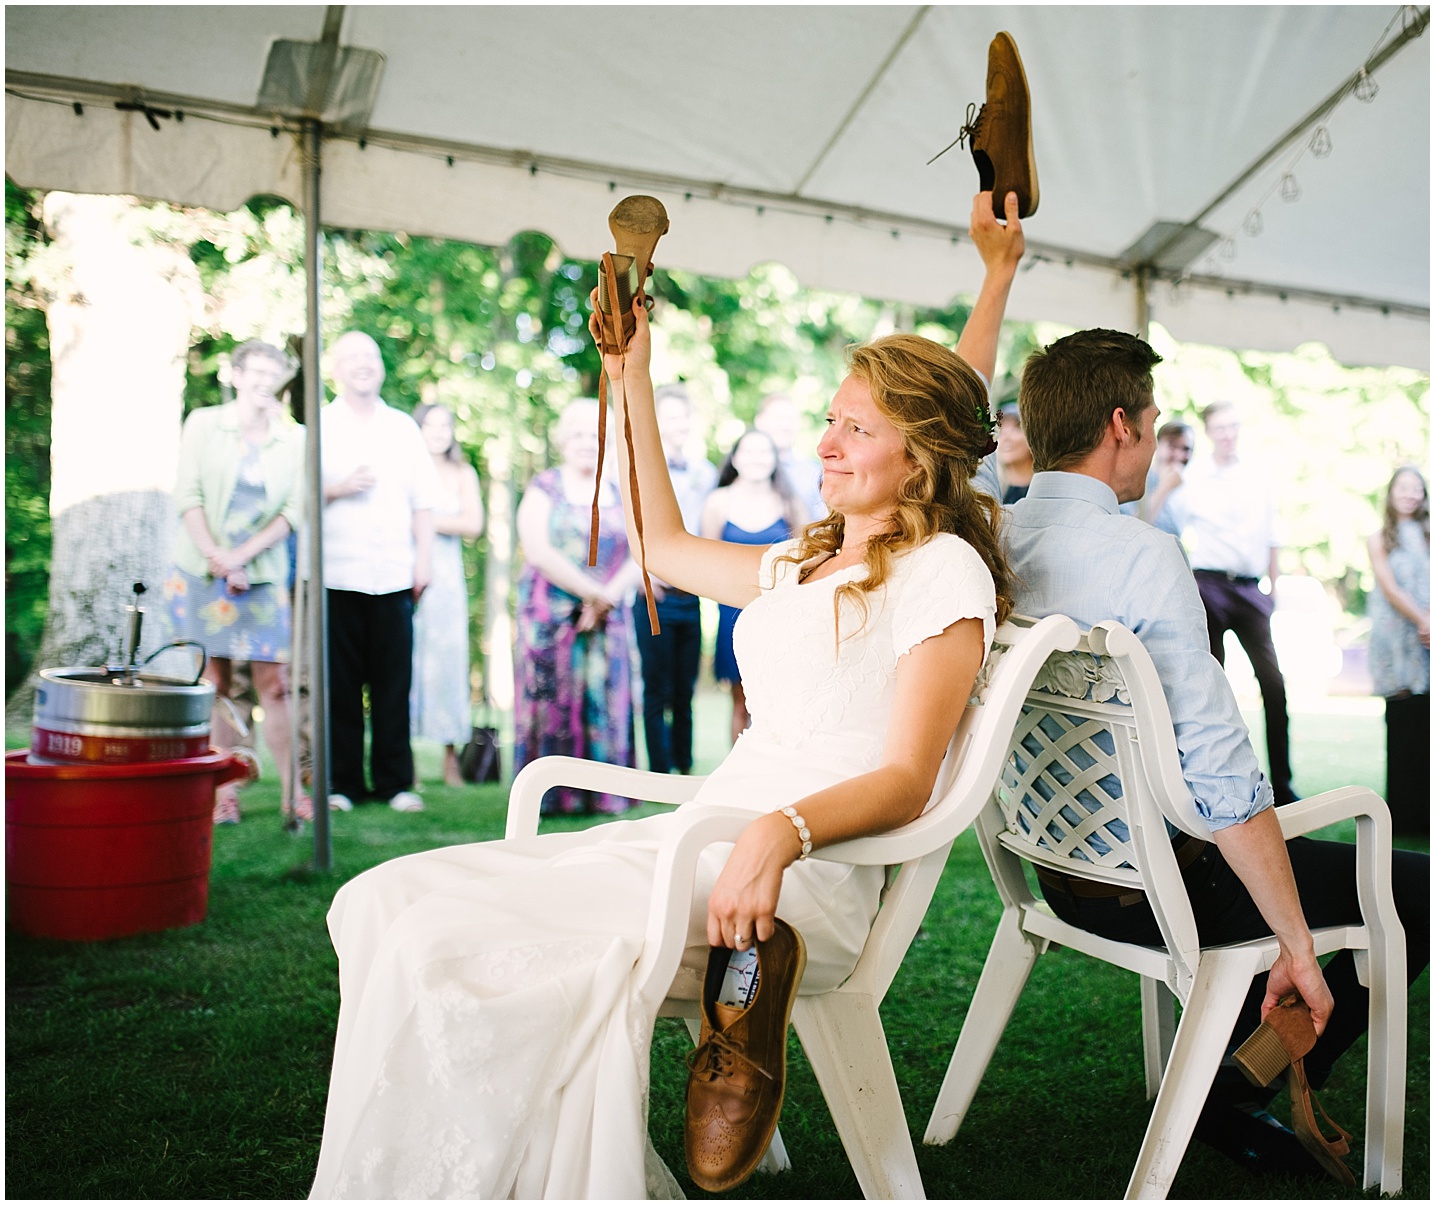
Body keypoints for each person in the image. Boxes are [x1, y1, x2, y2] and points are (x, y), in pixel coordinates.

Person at [308, 191, 1016, 1200]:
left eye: (855, 428)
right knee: (380, 897)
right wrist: (629, 372)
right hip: (705, 837)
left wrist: (778, 833)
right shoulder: (806, 559)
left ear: (922, 452)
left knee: (443, 934)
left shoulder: (944, 571)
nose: (824, 443)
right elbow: (663, 548)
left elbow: (909, 777)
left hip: (795, 880)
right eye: (828, 420)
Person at [1001, 326, 1430, 1182]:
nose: (1151, 429)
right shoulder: (1145, 558)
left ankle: (1225, 1065)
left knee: (1270, 854)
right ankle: (1232, 1090)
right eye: (1151, 415)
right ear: (1121, 426)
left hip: (1055, 875)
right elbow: (1224, 783)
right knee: (1426, 888)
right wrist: (1297, 944)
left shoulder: (994, 534)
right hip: (1163, 890)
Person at [167, 339, 306, 825]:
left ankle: (294, 794)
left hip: (262, 576)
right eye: (257, 371)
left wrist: (243, 557)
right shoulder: (204, 423)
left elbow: (293, 512)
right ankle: (223, 794)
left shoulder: (296, 439)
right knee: (216, 681)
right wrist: (220, 559)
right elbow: (188, 494)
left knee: (277, 684)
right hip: (203, 572)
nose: (265, 380)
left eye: (275, 372)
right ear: (237, 374)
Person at [320, 332, 436, 814]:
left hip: (394, 573)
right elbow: (300, 499)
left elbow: (423, 501)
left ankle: (394, 782)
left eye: (370, 356)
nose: (362, 365)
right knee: (340, 686)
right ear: (336, 369)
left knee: (393, 683)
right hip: (336, 574)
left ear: (381, 367)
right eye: (352, 358)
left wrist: (423, 560)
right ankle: (342, 785)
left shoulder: (403, 428)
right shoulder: (321, 425)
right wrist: (340, 488)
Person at [513, 399, 641, 816]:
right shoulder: (544, 488)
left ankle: (604, 795)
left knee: (604, 700)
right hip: (552, 618)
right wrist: (593, 594)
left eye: (596, 434)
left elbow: (642, 552)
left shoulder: (623, 491)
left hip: (609, 619)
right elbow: (538, 550)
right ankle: (552, 796)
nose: (588, 442)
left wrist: (605, 601)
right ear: (563, 440)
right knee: (553, 702)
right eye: (579, 434)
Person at [1169, 400, 1297, 802]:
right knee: (1210, 682)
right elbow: (1166, 524)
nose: (1227, 434)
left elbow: (1274, 534)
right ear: (1209, 432)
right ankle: (1208, 778)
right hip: (1208, 585)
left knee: (1273, 685)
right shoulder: (1193, 477)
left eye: (1232, 426)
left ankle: (1284, 781)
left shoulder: (1258, 475)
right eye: (1219, 428)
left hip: (1249, 589)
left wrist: (1273, 591)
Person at [702, 428, 810, 742]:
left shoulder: (790, 504)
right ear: (735, 458)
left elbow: (808, 558)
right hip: (732, 614)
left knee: (779, 704)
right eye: (748, 451)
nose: (756, 458)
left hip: (779, 614)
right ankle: (735, 781)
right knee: (740, 703)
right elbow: (706, 559)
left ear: (775, 460)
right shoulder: (718, 503)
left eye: (764, 451)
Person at [635, 384, 715, 775]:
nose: (677, 424)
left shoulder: (705, 472)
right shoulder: (640, 468)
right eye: (669, 416)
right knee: (657, 688)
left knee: (685, 689)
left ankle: (684, 766)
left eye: (683, 417)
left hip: (691, 593)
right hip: (653, 593)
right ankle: (658, 768)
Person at [410, 402, 484, 786]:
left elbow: (473, 523)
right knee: (407, 664)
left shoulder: (462, 473)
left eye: (445, 426)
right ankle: (403, 761)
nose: (438, 432)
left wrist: (424, 520)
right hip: (406, 572)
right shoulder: (405, 469)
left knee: (448, 666)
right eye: (430, 425)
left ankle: (450, 758)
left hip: (447, 581)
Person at [1368, 467, 1430, 702]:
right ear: (1391, 493)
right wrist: (1424, 622)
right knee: (1404, 708)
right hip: (1399, 632)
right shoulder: (1378, 539)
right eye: (1403, 488)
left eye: (1416, 489)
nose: (1410, 495)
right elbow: (1390, 589)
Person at [754, 391, 827, 520]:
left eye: (791, 419)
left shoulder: (814, 473)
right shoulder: (739, 467)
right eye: (777, 418)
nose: (784, 426)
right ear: (759, 421)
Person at [1133, 419, 1195, 533]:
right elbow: (1133, 530)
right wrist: (1164, 488)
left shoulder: (1187, 487)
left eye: (1186, 449)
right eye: (1172, 446)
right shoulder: (1137, 482)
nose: (1179, 455)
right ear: (1157, 444)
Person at [993, 398, 1033, 503]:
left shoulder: (1045, 492)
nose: (1006, 437)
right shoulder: (989, 493)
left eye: (1016, 427)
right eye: (1000, 429)